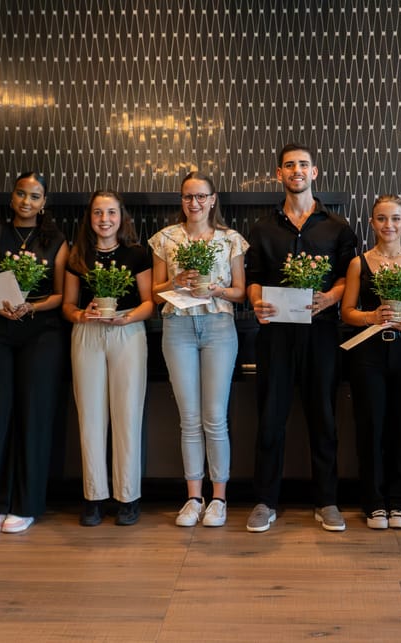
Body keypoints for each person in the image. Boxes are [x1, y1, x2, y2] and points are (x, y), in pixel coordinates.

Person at [244, 143, 358, 532]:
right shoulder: (262, 228)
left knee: (323, 417)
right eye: (289, 165)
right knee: (270, 418)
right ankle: (265, 501)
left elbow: (347, 277)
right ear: (279, 174)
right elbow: (253, 278)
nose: (297, 170)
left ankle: (326, 501)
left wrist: (332, 297)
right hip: (274, 333)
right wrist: (256, 301)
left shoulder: (337, 227)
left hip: (321, 332)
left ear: (314, 172)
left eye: (303, 165)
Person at [0, 171, 68, 535]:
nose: (27, 201)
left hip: (41, 332)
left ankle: (26, 505)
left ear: (44, 203)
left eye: (35, 196)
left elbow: (60, 295)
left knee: (33, 414)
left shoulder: (56, 240)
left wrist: (31, 307)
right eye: (21, 194)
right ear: (12, 197)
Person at [150, 172, 247, 528]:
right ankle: (193, 498)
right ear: (182, 200)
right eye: (188, 196)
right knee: (189, 418)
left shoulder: (230, 239)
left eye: (201, 196)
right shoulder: (165, 238)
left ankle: (219, 499)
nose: (195, 203)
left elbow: (241, 292)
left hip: (219, 327)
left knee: (215, 417)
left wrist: (217, 290)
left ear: (212, 199)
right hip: (177, 327)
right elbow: (154, 293)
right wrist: (174, 282)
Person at [340, 195, 401, 529]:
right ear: (372, 223)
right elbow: (347, 312)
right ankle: (374, 503)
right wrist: (371, 317)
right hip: (367, 354)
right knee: (371, 427)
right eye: (381, 218)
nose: (388, 225)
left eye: (395, 219)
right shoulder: (359, 264)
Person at [64, 190, 154, 527]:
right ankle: (94, 497)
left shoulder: (137, 254)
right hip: (87, 333)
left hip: (127, 332)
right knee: (90, 416)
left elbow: (149, 303)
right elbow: (67, 306)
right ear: (90, 218)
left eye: (111, 213)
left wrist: (127, 318)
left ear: (121, 217)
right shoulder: (78, 255)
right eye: (98, 213)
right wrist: (81, 315)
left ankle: (128, 496)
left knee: (127, 414)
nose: (105, 220)